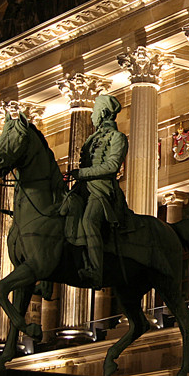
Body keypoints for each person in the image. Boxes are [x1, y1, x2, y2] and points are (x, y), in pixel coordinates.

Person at [67, 94, 135, 287]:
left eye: (95, 111)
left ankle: (96, 272)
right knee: (61, 213)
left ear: (103, 112)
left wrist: (81, 173)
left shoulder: (117, 138)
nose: (92, 116)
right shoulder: (91, 139)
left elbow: (112, 166)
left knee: (89, 221)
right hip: (83, 187)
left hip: (102, 189)